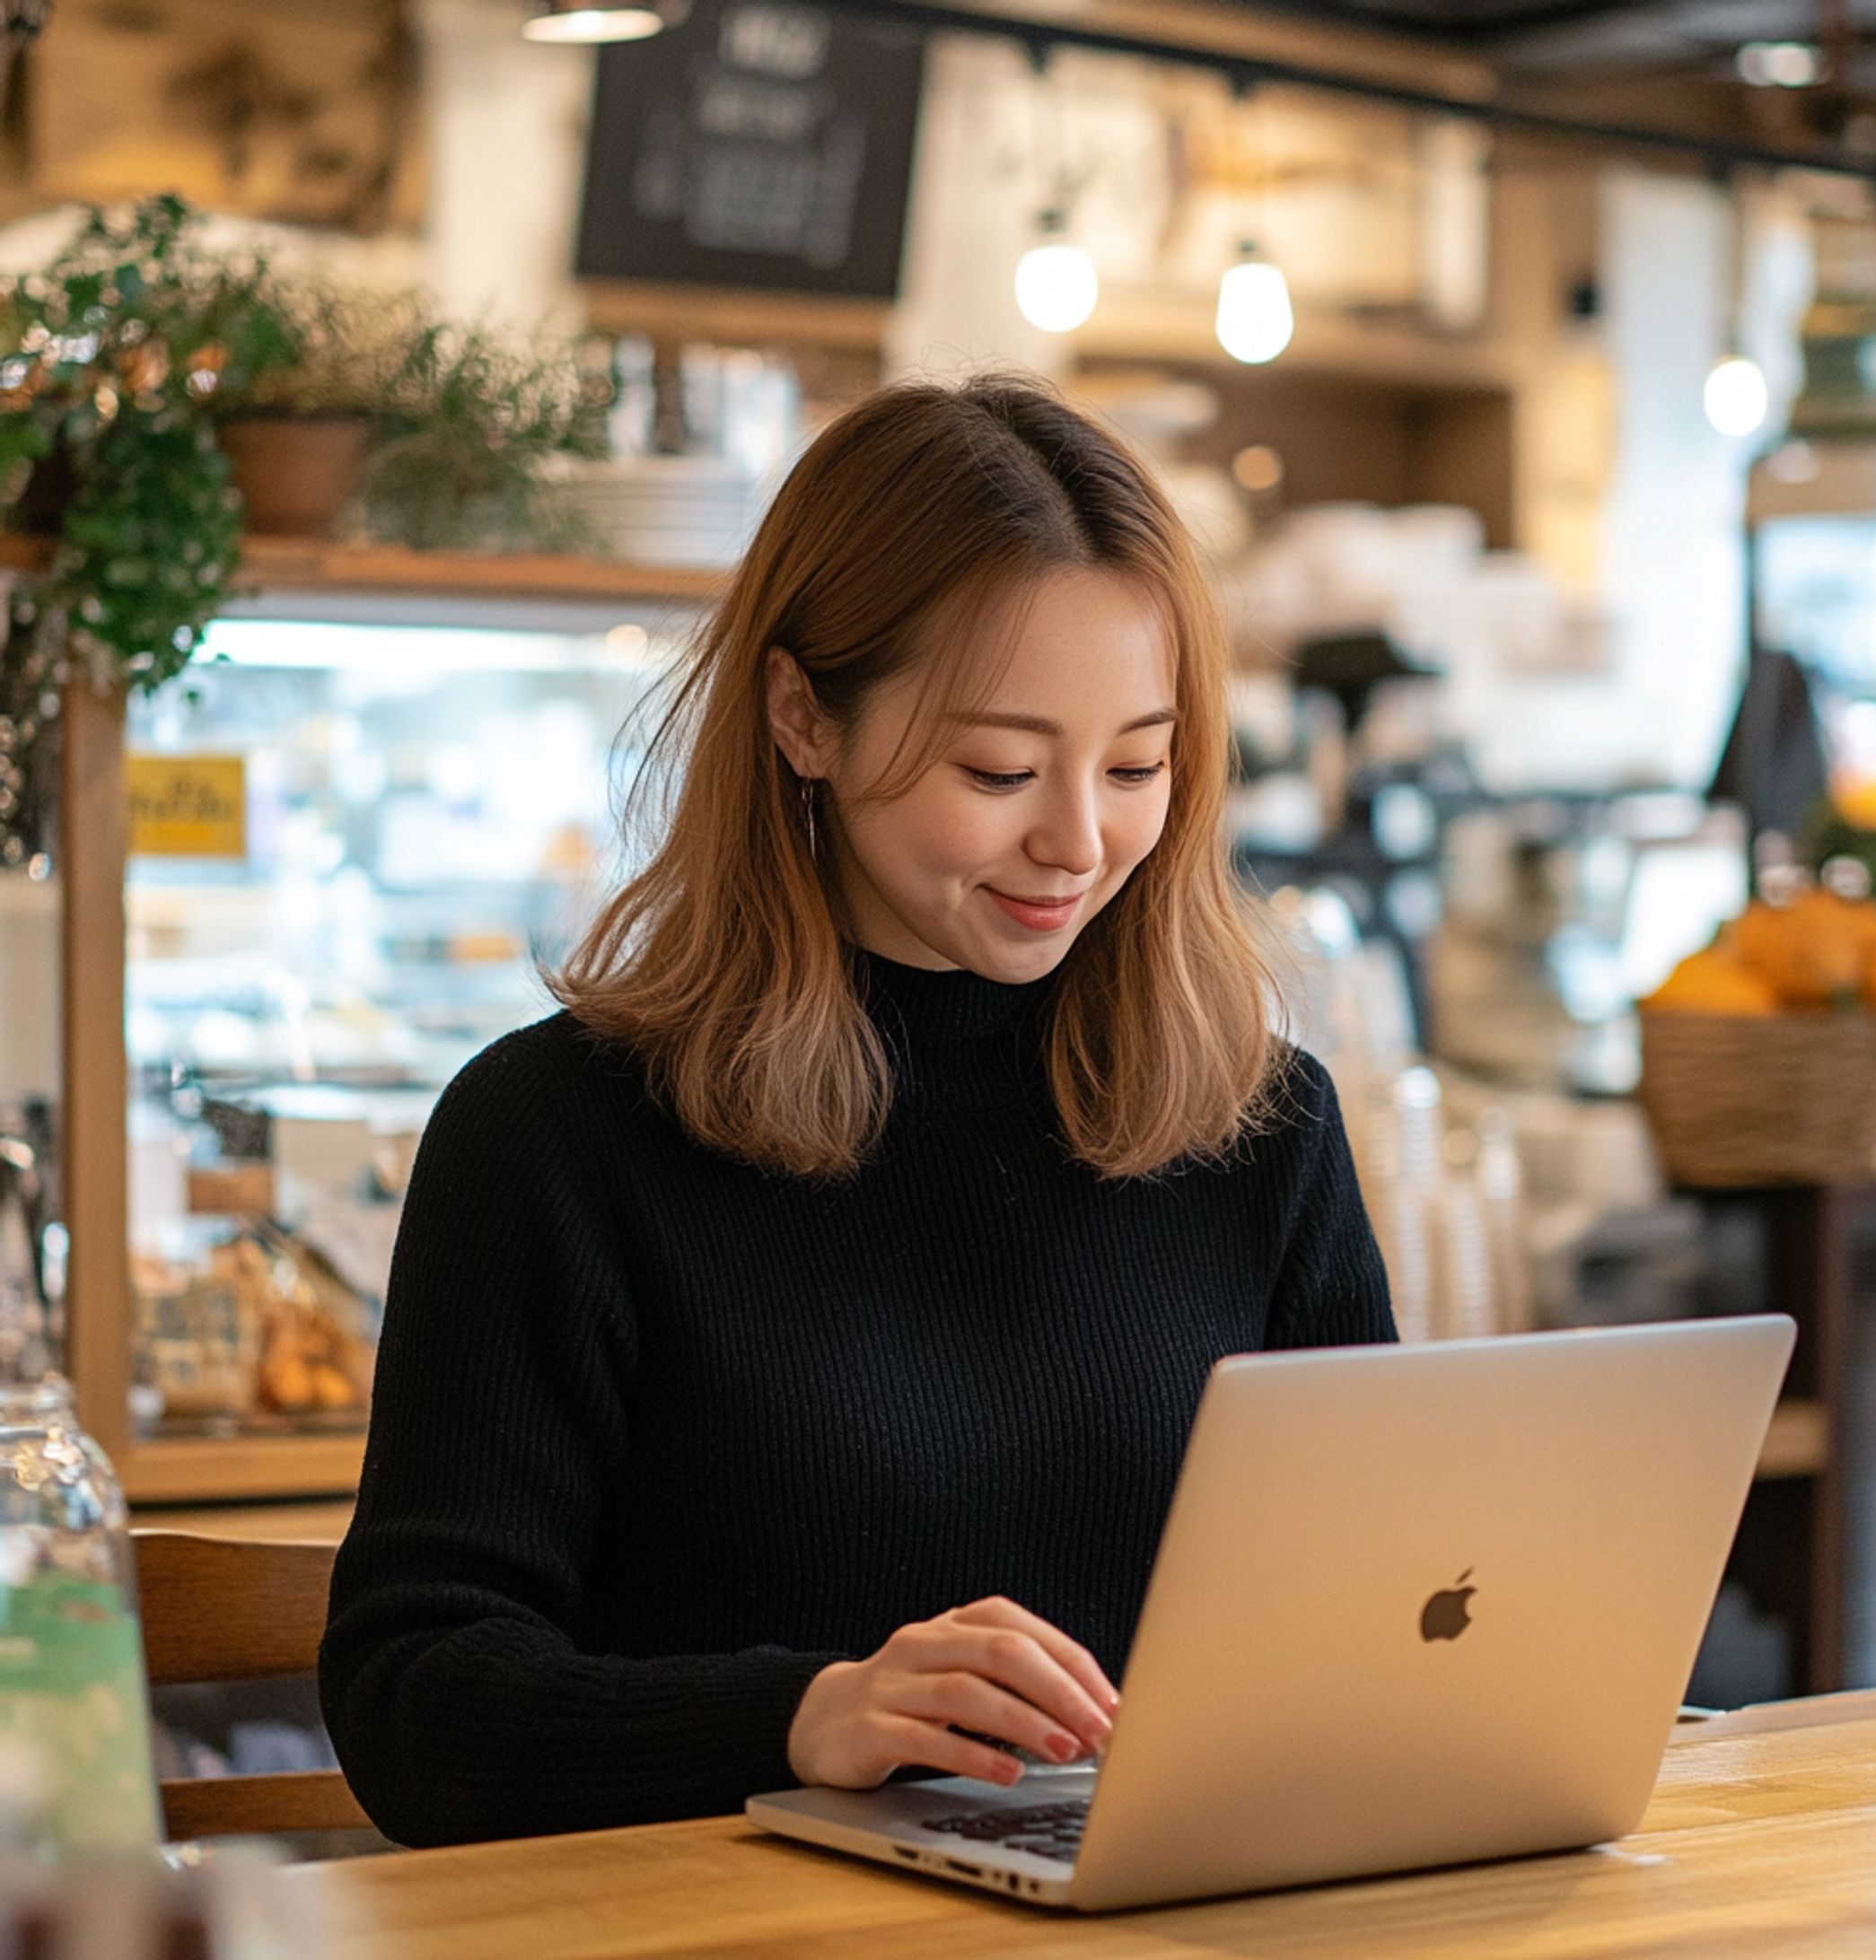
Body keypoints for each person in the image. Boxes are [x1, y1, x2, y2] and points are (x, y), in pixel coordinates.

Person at [319, 375, 1395, 1849]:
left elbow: (1388, 1610)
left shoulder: (1259, 1127)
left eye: (1138, 764)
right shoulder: (556, 1140)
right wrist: (796, 1720)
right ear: (802, 714)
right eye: (999, 768)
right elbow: (412, 1699)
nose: (1080, 841)